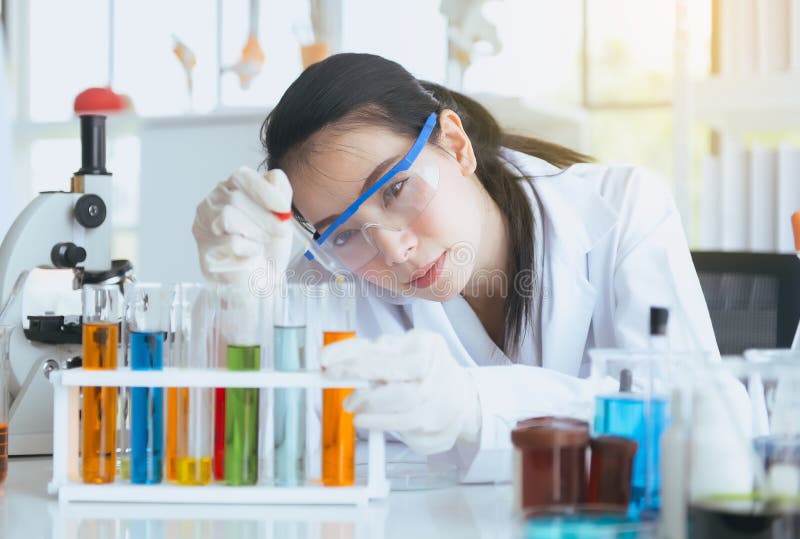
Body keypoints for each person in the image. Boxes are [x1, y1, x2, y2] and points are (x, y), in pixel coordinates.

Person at [192, 53, 717, 482]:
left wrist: (473, 405)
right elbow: (264, 455)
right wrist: (245, 304)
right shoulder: (331, 277)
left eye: (396, 188)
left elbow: (695, 423)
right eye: (346, 231)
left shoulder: (623, 210)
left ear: (457, 145)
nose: (392, 251)